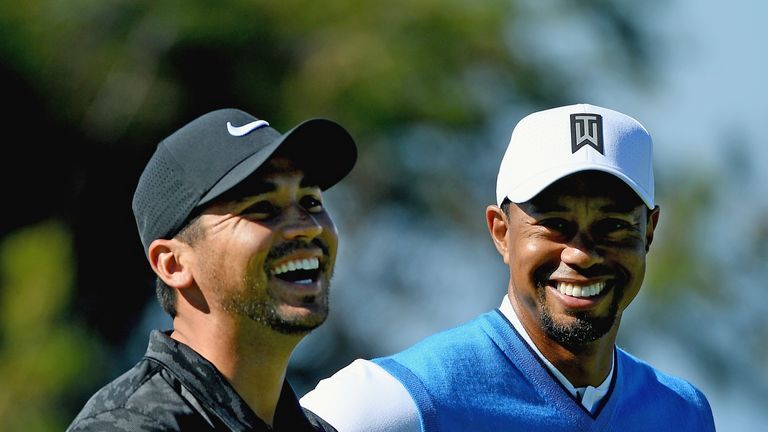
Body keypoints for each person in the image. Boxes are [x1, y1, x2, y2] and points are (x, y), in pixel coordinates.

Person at [300, 104, 716, 431]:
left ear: (648, 232)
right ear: (501, 232)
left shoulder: (683, 413)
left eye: (612, 226)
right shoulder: (397, 400)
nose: (582, 254)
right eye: (554, 224)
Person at [68, 108, 357, 431]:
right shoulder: (128, 426)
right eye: (262, 207)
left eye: (310, 201)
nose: (306, 227)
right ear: (173, 264)